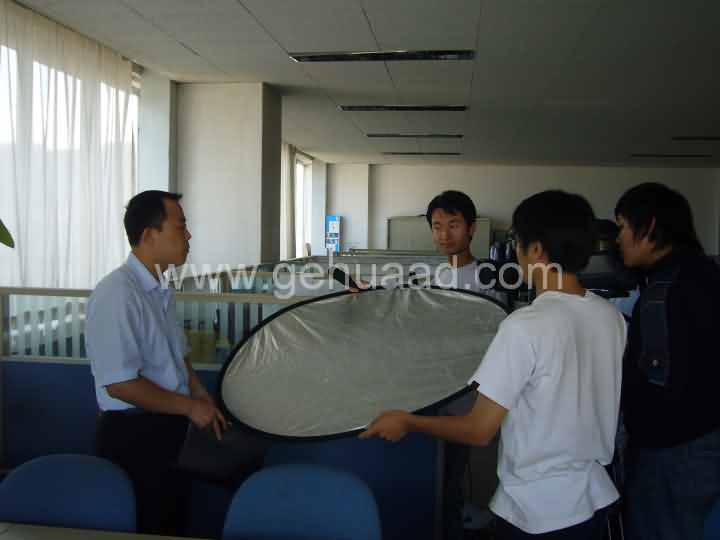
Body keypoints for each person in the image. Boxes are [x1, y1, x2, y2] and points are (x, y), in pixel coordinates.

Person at [361, 190, 626, 540]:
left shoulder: (524, 326)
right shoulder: (611, 317)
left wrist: (407, 421)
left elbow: (479, 430)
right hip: (592, 496)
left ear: (536, 250)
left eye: (518, 244)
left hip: (537, 510)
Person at [85, 190, 228, 535]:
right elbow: (121, 384)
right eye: (180, 227)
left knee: (172, 523)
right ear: (149, 235)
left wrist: (198, 392)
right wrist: (190, 407)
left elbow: (177, 354)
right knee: (146, 524)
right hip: (134, 435)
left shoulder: (159, 289)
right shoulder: (117, 293)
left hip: (169, 428)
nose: (188, 236)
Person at [614, 182, 720, 540]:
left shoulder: (662, 292)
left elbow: (658, 385)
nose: (618, 239)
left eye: (622, 227)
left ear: (650, 228)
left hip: (671, 454)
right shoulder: (707, 274)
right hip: (707, 440)